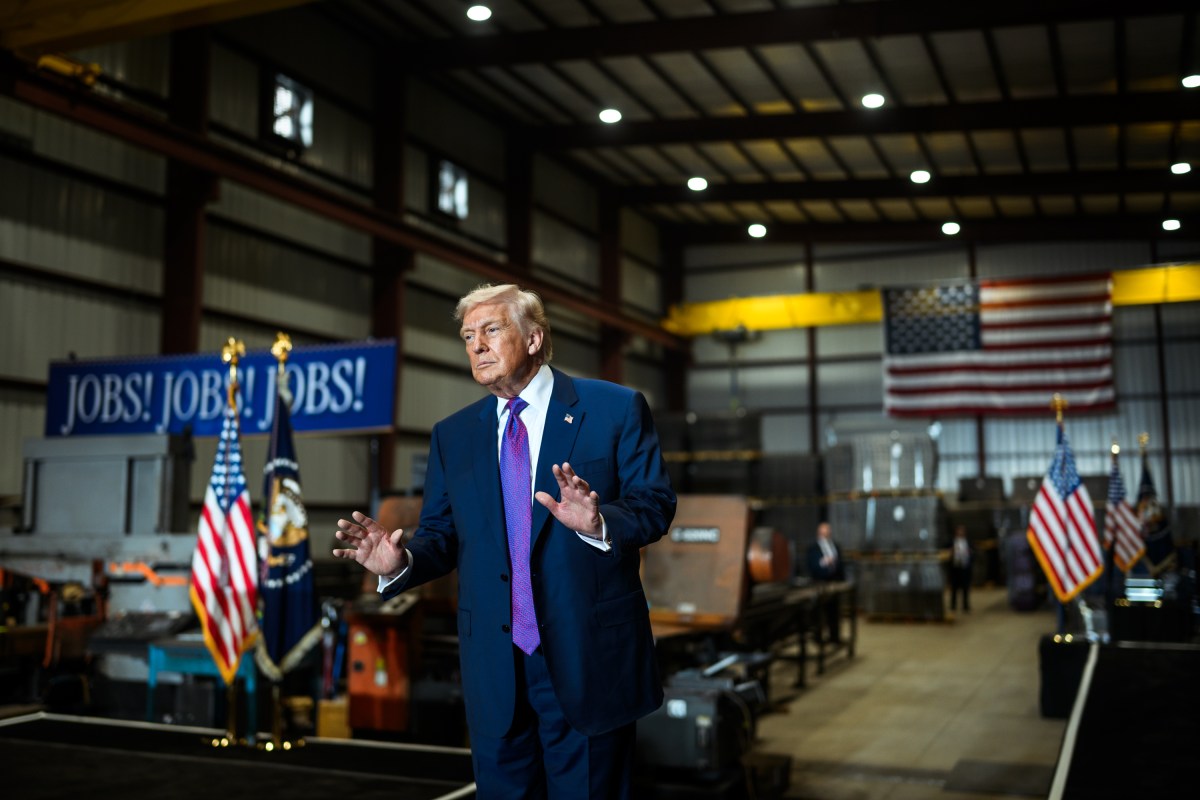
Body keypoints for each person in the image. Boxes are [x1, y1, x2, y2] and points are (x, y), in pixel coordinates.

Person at [332, 283, 677, 799]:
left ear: (534, 339)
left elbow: (654, 504)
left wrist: (599, 521)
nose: (477, 345)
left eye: (491, 330)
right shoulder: (454, 434)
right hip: (496, 670)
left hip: (588, 662)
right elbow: (442, 536)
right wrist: (400, 562)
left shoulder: (614, 408)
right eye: (468, 336)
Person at [806, 521, 845, 644]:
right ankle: (818, 638)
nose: (826, 535)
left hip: (834, 583)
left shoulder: (835, 546)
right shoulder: (813, 548)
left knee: (833, 611)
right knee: (819, 612)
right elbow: (811, 566)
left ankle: (834, 637)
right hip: (820, 583)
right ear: (819, 533)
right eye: (824, 533)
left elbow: (840, 564)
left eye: (828, 532)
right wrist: (823, 562)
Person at [949, 524, 973, 613]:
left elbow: (973, 553)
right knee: (954, 588)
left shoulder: (968, 542)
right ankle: (953, 605)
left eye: (962, 530)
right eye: (959, 530)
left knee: (965, 587)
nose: (960, 532)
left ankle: (965, 605)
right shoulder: (951, 542)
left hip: (965, 567)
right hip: (955, 568)